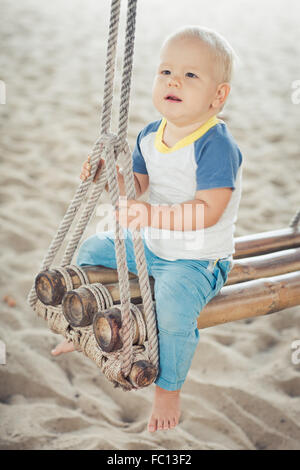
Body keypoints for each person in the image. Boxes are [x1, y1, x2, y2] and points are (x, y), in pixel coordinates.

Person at [51, 25, 243, 433]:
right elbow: (135, 186)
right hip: (150, 246)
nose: (174, 80)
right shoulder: (150, 135)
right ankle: (82, 327)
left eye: (191, 75)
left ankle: (168, 388)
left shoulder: (215, 144)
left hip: (196, 260)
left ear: (218, 96)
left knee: (172, 307)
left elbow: (208, 210)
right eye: (166, 71)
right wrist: (105, 177)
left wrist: (151, 217)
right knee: (90, 253)